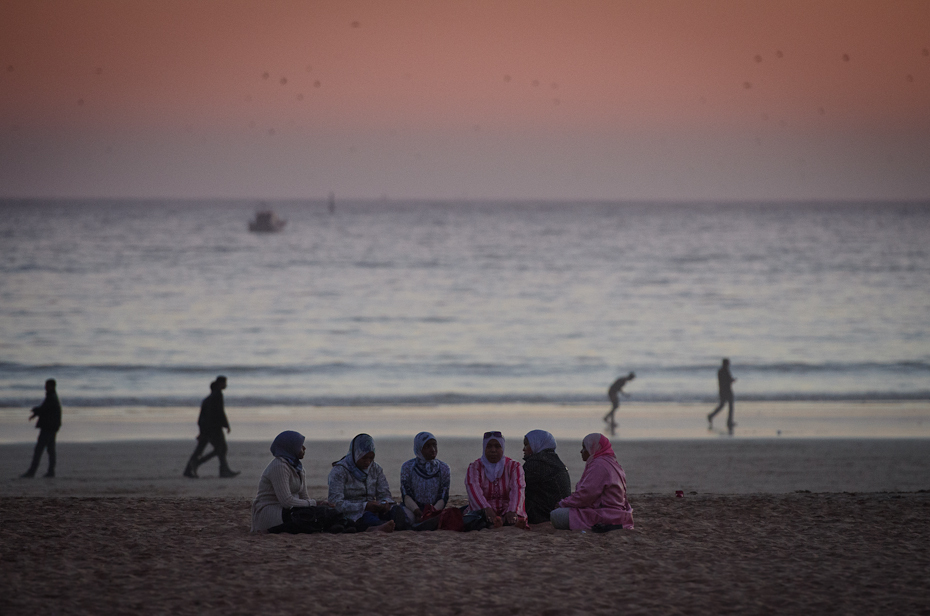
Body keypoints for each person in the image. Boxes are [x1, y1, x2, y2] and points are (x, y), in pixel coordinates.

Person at [251, 430, 348, 534]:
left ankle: (341, 527)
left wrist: (317, 505)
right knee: (308, 516)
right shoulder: (279, 466)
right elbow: (286, 501)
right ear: (290, 447)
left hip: (290, 511)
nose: (304, 448)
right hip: (273, 513)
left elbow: (304, 497)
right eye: (301, 446)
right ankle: (271, 530)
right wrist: (315, 503)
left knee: (323, 512)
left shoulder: (298, 468)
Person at [550, 433, 634, 531]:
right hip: (617, 513)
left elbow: (586, 495)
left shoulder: (599, 465)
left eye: (584, 448)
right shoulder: (612, 463)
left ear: (594, 448)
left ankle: (601, 526)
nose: (581, 451)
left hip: (607, 514)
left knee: (556, 515)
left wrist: (563, 503)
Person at [327, 433, 405, 532]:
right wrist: (364, 506)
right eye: (364, 458)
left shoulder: (376, 469)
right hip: (354, 513)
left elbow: (384, 493)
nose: (367, 462)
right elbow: (335, 503)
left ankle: (393, 525)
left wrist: (384, 503)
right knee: (366, 516)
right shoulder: (339, 471)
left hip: (374, 510)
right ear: (355, 454)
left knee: (396, 510)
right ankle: (379, 527)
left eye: (371, 458)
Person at [465, 431, 527, 528]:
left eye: (497, 446)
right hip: (484, 509)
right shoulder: (475, 467)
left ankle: (508, 521)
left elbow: (518, 489)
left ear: (503, 448)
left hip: (507, 508)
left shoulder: (514, 466)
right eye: (489, 446)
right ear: (484, 448)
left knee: (514, 517)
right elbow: (473, 489)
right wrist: (485, 508)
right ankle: (497, 522)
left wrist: (512, 510)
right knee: (478, 519)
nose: (493, 450)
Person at [183, 376, 239, 478]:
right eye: (224, 383)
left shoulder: (207, 399)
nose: (226, 385)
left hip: (206, 428)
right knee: (221, 449)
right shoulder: (217, 396)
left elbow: (202, 417)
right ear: (219, 384)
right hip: (213, 428)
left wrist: (202, 431)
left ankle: (188, 470)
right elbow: (219, 412)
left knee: (202, 450)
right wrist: (226, 425)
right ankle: (202, 464)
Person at [399, 431, 451, 527]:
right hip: (412, 509)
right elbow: (406, 494)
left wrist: (431, 512)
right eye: (427, 446)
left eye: (434, 445)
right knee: (406, 518)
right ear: (419, 449)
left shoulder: (444, 468)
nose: (433, 449)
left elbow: (443, 496)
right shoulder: (408, 467)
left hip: (435, 510)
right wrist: (416, 511)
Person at [522, 429, 572, 524]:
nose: (523, 449)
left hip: (544, 514)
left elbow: (517, 486)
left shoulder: (536, 463)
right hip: (560, 510)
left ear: (536, 444)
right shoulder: (555, 460)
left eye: (526, 445)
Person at [21, 379, 62, 478]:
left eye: (47, 385)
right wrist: (36, 413)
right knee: (50, 450)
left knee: (39, 450)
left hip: (48, 428)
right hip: (52, 427)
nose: (45, 387)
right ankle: (51, 472)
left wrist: (36, 411)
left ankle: (32, 472)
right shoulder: (52, 397)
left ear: (52, 386)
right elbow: (45, 409)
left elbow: (44, 409)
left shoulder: (51, 398)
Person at [707, 358, 736, 432]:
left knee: (722, 406)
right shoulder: (725, 371)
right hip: (727, 391)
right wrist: (732, 380)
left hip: (722, 391)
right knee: (730, 407)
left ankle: (711, 416)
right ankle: (729, 422)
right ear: (726, 364)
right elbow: (728, 380)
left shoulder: (720, 371)